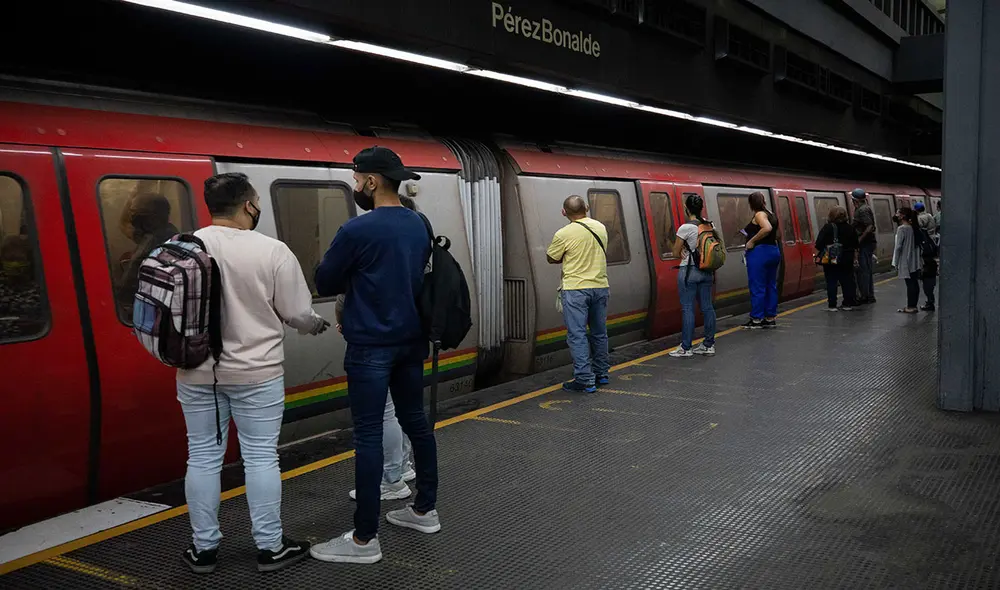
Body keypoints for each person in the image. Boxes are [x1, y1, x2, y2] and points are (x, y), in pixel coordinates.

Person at [177, 173, 328, 574]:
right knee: (260, 457)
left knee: (203, 456)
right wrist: (314, 325)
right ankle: (270, 547)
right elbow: (297, 312)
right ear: (248, 205)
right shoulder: (272, 250)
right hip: (256, 374)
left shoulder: (182, 247)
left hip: (195, 373)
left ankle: (203, 549)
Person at [312, 146, 440, 565]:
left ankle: (365, 539)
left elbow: (326, 279)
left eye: (355, 179)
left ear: (370, 181)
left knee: (367, 437)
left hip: (370, 345)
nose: (355, 187)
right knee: (416, 423)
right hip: (411, 341)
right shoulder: (419, 223)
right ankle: (424, 510)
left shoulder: (356, 230)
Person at [335, 193, 419, 503]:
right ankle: (406, 467)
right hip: (409, 338)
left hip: (375, 342)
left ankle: (392, 479)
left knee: (381, 415)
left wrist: (347, 321)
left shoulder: (368, 239)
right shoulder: (418, 240)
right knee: (403, 410)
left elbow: (337, 284)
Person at [546, 195, 610, 392]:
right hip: (600, 286)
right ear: (588, 207)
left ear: (564, 212)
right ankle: (601, 373)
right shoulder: (600, 227)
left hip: (575, 290)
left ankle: (584, 379)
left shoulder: (563, 234)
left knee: (577, 335)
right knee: (599, 333)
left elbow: (551, 257)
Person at [116, 192, 179, 321]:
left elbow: (127, 291)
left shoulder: (153, 245)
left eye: (136, 214)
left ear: (151, 218)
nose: (132, 219)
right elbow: (124, 226)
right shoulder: (165, 232)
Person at [668, 194, 717, 357]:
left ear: (686, 208)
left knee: (688, 309)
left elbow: (676, 252)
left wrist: (679, 249)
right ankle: (708, 345)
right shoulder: (709, 225)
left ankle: (686, 348)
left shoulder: (685, 228)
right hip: (707, 271)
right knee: (707, 307)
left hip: (689, 271)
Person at [742, 191, 781, 329]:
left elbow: (767, 228)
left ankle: (757, 318)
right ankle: (770, 317)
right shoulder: (771, 213)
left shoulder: (759, 214)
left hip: (760, 253)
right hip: (773, 251)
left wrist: (751, 241)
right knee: (771, 285)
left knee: (757, 286)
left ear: (751, 203)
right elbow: (777, 233)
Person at [814, 206, 859, 311]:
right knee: (847, 281)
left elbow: (819, 244)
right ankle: (847, 304)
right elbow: (856, 244)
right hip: (847, 258)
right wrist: (855, 258)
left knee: (831, 281)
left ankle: (832, 305)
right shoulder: (850, 228)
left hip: (831, 258)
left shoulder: (828, 227)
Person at [0, 235, 45, 340]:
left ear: (28, 261)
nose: (14, 263)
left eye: (19, 259)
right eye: (9, 259)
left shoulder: (39, 289)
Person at [891, 207, 923, 314]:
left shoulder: (902, 229)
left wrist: (895, 262)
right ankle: (913, 305)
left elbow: (898, 246)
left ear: (902, 215)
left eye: (897, 213)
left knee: (910, 284)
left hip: (906, 259)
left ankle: (910, 307)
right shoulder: (913, 227)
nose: (896, 214)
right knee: (914, 282)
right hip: (915, 260)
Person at [851, 188, 877, 304]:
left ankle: (866, 296)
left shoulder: (862, 210)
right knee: (865, 270)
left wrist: (859, 239)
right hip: (867, 243)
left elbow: (869, 226)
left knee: (863, 270)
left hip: (865, 244)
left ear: (854, 200)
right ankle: (867, 295)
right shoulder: (862, 208)